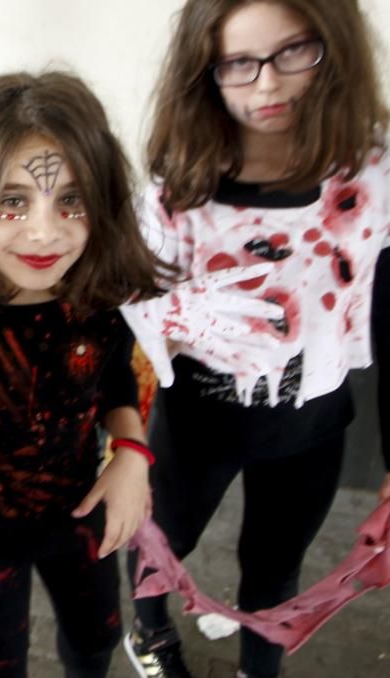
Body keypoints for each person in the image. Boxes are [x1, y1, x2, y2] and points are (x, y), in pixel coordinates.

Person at [117, 2, 390, 677]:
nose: (267, 86)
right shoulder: (179, 186)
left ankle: (257, 670)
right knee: (165, 541)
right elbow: (132, 308)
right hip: (200, 417)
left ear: (332, 45)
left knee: (275, 567)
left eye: (293, 52)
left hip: (316, 423)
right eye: (239, 63)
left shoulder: (372, 172)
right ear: (204, 70)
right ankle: (149, 635)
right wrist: (174, 314)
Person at [0, 71, 170, 678]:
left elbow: (116, 379)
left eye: (71, 199)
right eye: (11, 201)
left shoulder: (97, 295)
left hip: (80, 512)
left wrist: (130, 451)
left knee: (98, 638)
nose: (45, 230)